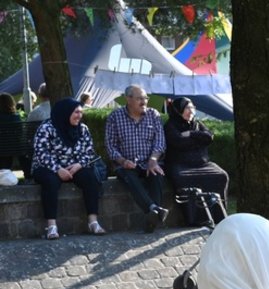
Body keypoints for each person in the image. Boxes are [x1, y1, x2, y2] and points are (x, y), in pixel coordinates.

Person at [31, 98, 105, 239]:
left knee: (90, 177)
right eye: (76, 112)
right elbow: (41, 152)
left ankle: (93, 222)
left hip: (74, 167)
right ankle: (51, 226)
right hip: (47, 167)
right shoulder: (46, 128)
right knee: (50, 181)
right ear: (65, 112)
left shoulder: (83, 129)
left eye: (81, 112)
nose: (79, 115)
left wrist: (79, 165)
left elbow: (89, 153)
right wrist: (58, 169)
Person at [105, 84, 169, 233]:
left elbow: (160, 142)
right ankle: (154, 209)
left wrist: (153, 160)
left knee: (157, 174)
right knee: (129, 177)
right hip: (127, 165)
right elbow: (111, 147)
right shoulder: (114, 117)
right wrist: (122, 161)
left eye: (145, 98)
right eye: (140, 98)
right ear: (128, 99)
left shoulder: (153, 115)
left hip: (149, 162)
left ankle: (151, 217)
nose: (144, 101)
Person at [163, 97, 229, 226]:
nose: (191, 111)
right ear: (179, 110)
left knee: (221, 176)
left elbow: (209, 137)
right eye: (187, 108)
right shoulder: (171, 125)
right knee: (183, 180)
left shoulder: (197, 123)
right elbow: (178, 142)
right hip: (181, 165)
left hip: (202, 163)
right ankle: (195, 218)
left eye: (192, 107)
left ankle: (218, 215)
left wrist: (191, 134)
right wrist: (198, 140)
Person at [0, 92, 26, 179]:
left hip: (2, 149)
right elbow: (21, 133)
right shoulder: (16, 117)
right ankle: (28, 174)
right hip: (16, 148)